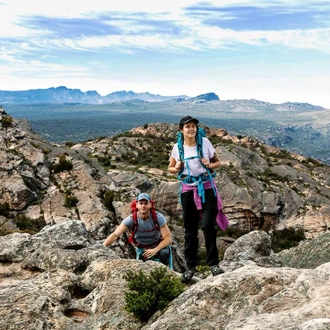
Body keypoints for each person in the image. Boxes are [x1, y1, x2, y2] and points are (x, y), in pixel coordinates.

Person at [168, 115, 226, 283]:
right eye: (187, 127)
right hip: (187, 190)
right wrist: (176, 167)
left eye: (193, 126)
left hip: (207, 188)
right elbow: (170, 168)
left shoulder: (205, 143)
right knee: (190, 229)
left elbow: (218, 163)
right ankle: (190, 268)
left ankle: (213, 264)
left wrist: (209, 164)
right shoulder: (177, 148)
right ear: (181, 130)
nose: (191, 129)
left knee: (208, 225)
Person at [103, 193, 173, 267]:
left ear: (150, 205)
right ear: (136, 205)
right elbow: (115, 234)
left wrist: (155, 250)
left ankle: (166, 269)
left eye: (146, 203)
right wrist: (103, 246)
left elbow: (168, 239)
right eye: (141, 203)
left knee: (164, 252)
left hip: (157, 246)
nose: (143, 206)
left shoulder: (158, 217)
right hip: (142, 249)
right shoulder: (131, 219)